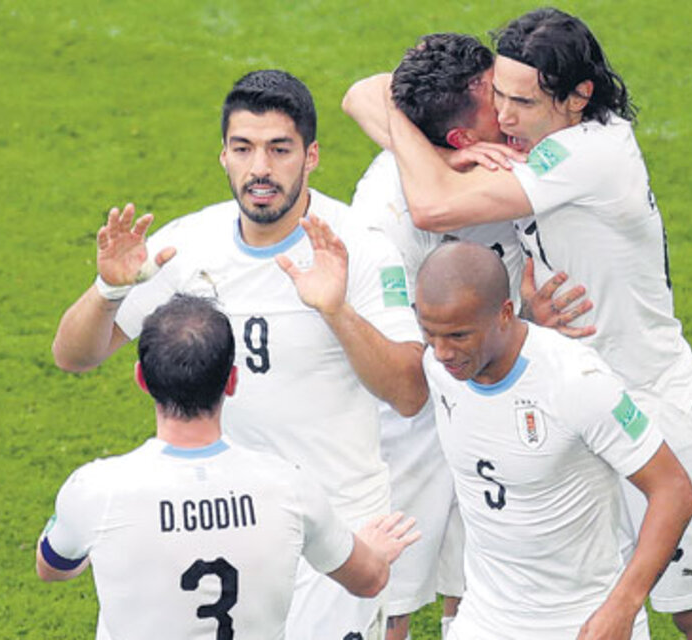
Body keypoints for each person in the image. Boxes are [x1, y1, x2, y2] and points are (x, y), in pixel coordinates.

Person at [350, 8, 692, 639]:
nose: (505, 120)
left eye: (521, 101)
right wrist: (437, 140)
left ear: (577, 97)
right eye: (499, 97)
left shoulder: (586, 154)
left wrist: (427, 145)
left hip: (654, 403)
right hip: (573, 408)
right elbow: (365, 91)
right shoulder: (546, 133)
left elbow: (431, 204)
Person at [51, 69, 428, 639]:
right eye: (244, 148)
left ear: (312, 156)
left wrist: (335, 311)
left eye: (279, 149)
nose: (260, 169)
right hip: (231, 527)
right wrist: (109, 291)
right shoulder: (188, 245)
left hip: (338, 530)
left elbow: (408, 392)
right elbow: (73, 356)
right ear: (223, 156)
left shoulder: (361, 248)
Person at [346, 33, 594, 640]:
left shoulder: (511, 162)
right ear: (460, 140)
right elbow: (403, 377)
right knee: (390, 605)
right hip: (407, 439)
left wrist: (527, 325)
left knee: (480, 594)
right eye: (495, 101)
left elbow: (366, 92)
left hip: (499, 410)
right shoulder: (386, 216)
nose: (511, 108)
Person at [36, 295, 420, 640]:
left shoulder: (96, 490)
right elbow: (368, 580)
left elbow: (52, 567)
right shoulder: (289, 487)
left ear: (143, 380)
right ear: (232, 381)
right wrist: (376, 551)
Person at [414, 241, 692, 640]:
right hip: (484, 621)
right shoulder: (440, 368)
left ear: (504, 315)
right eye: (430, 333)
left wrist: (624, 605)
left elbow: (674, 488)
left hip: (582, 624)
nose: (442, 351)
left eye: (459, 335)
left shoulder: (577, 383)